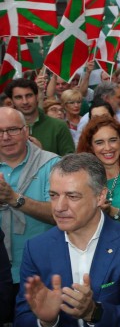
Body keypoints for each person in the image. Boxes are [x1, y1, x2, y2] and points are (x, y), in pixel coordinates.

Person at [13, 153, 120, 327]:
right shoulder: (36, 249)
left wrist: (95, 312)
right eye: (54, 195)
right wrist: (46, 323)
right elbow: (21, 321)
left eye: (72, 196)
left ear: (100, 197)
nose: (59, 207)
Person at [0, 107, 60, 285]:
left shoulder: (53, 164)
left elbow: (59, 214)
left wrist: (13, 199)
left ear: (26, 131)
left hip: (41, 271)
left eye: (12, 129)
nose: (5, 137)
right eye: (0, 131)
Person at [6, 78, 74, 156]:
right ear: (12, 101)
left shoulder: (58, 126)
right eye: (18, 97)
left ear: (37, 96)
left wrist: (42, 154)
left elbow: (70, 163)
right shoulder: (3, 129)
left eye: (29, 96)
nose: (25, 102)